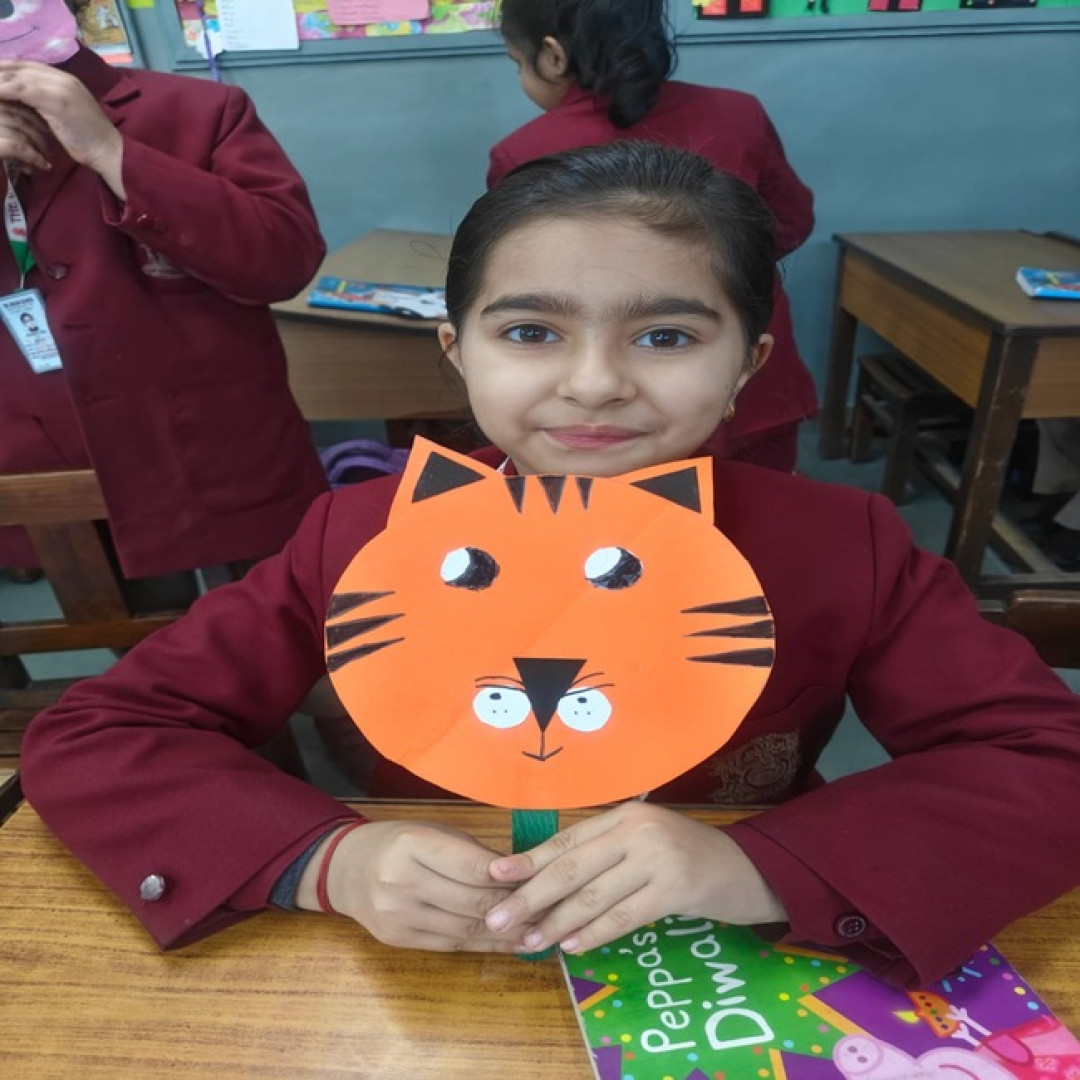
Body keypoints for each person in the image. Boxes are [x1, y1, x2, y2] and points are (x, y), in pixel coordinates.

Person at [21, 143, 1080, 991]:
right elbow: (102, 732)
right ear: (457, 352)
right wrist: (329, 862)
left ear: (748, 365)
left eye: (666, 338)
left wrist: (759, 863)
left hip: (740, 948)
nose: (594, 384)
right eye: (530, 331)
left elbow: (1044, 760)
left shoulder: (844, 545)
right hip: (434, 957)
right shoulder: (359, 535)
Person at [0, 0, 328, 581]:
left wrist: (112, 152)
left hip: (215, 471)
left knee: (272, 620)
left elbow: (284, 261)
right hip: (41, 491)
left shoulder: (200, 110)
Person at [487, 0, 818, 473]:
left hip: (611, 402)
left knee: (618, 516)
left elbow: (524, 276)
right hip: (744, 366)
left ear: (554, 56)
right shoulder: (738, 113)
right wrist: (713, 275)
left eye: (518, 63)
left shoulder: (523, 151)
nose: (522, 77)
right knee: (759, 509)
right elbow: (791, 222)